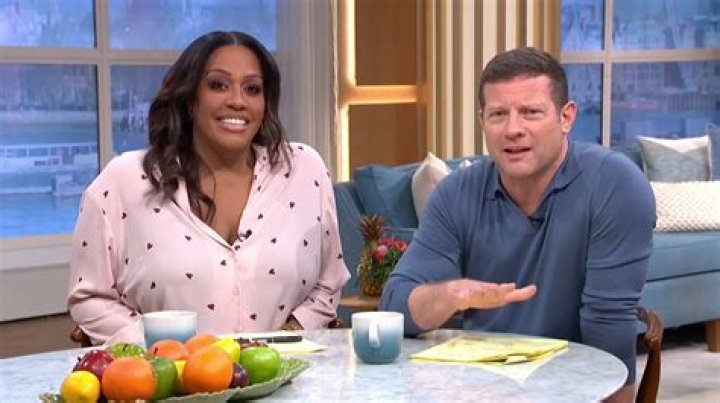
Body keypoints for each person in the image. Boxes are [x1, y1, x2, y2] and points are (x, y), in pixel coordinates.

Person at [379, 47, 655, 401]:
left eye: (530, 112)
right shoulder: (455, 193)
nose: (513, 129)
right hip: (478, 390)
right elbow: (394, 309)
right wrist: (451, 294)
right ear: (483, 121)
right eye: (498, 114)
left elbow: (609, 324)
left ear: (566, 117)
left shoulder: (615, 185)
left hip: (574, 390)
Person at [68, 31, 350, 345]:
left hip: (286, 372)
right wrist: (164, 348)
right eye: (218, 85)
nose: (238, 101)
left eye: (252, 89)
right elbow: (90, 297)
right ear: (190, 99)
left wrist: (281, 342)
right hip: (168, 373)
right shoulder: (125, 180)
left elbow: (329, 281)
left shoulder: (304, 169)